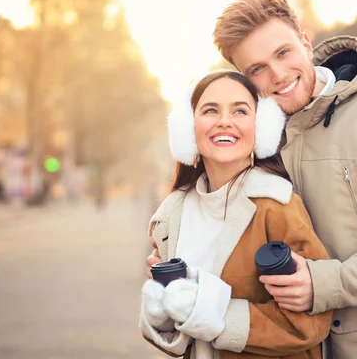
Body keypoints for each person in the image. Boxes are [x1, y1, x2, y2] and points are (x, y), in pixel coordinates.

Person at [148, 0, 357, 359]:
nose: (277, 75)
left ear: (305, 43)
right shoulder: (256, 142)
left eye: (283, 53)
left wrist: (324, 284)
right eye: (256, 69)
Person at [140, 70, 332, 359]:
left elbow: (310, 324)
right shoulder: (173, 214)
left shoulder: (277, 206)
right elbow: (180, 338)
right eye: (210, 110)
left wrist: (211, 316)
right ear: (188, 129)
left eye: (240, 110)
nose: (224, 121)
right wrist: (162, 308)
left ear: (262, 127)